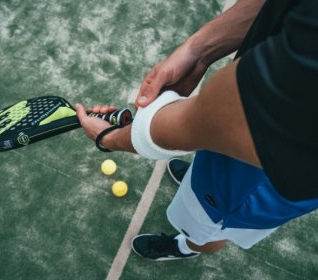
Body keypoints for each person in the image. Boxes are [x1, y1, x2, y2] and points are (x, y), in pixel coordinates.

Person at [75, 0, 318, 261]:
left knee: (208, 227)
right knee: (206, 173)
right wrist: (197, 51)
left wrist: (110, 138)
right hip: (248, 136)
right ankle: (198, 179)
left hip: (256, 180)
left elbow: (216, 122)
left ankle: (187, 247)